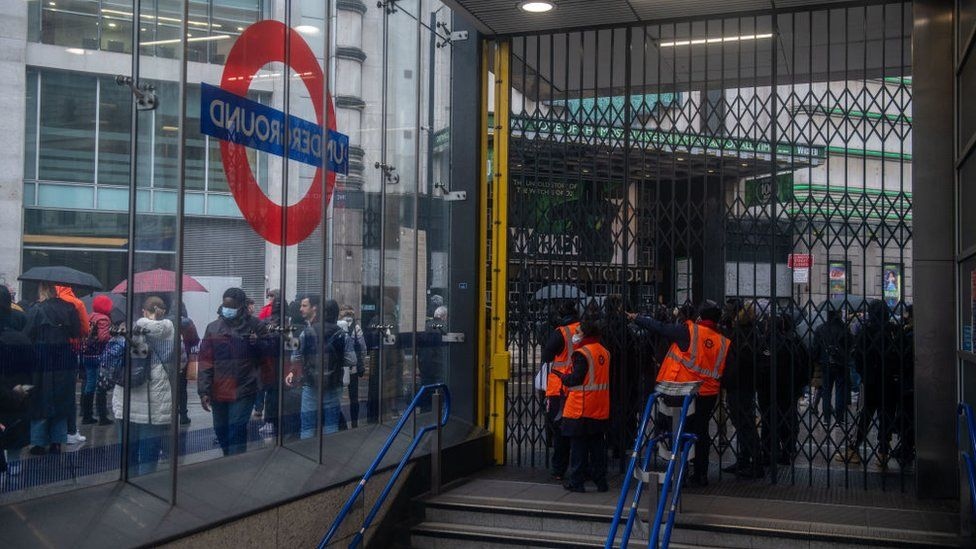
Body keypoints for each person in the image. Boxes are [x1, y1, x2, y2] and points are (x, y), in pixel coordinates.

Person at [629, 299, 730, 487]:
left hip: (683, 391)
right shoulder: (723, 340)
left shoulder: (689, 331)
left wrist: (638, 318)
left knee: (680, 432)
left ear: (700, 317)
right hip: (708, 393)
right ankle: (700, 474)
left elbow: (660, 328)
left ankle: (680, 473)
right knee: (701, 433)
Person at [197, 288, 271, 456]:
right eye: (225, 305)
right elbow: (206, 362)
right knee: (220, 430)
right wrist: (204, 391)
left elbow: (269, 352)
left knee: (236, 430)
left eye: (232, 306)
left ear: (241, 306)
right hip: (219, 388)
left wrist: (257, 343)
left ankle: (234, 464)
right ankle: (228, 459)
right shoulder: (213, 328)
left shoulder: (255, 325)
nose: (227, 309)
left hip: (244, 388)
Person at [113, 296, 174, 476]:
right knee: (149, 455)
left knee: (127, 456)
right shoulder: (172, 332)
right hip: (154, 405)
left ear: (143, 312)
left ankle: (128, 487)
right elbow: (182, 362)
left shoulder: (129, 330)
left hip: (126, 401)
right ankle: (145, 487)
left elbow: (113, 357)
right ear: (163, 312)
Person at [555, 306, 610, 493]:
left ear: (585, 334)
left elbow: (576, 379)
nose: (575, 335)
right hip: (599, 407)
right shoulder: (603, 351)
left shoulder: (582, 353)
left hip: (581, 407)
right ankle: (601, 482)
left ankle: (576, 482)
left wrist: (563, 378)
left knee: (578, 448)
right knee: (597, 447)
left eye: (578, 332)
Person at [24, 282, 81, 455]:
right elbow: (76, 333)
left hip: (41, 359)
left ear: (42, 291)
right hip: (63, 358)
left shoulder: (36, 309)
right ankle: (57, 441)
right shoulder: (70, 308)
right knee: (61, 399)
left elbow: (28, 333)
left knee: (39, 398)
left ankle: (38, 442)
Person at [842, 300, 900, 466]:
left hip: (870, 382)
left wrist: (864, 374)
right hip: (890, 382)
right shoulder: (894, 331)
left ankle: (853, 449)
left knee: (864, 416)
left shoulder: (866, 331)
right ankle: (883, 453)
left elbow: (858, 357)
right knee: (886, 416)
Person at [286, 297, 354, 437]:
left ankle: (307, 449)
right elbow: (351, 360)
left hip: (311, 383)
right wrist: (337, 361)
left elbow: (295, 357)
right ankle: (330, 449)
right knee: (331, 425)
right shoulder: (342, 334)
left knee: (307, 426)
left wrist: (306, 362)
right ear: (336, 314)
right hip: (333, 384)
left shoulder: (307, 332)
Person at [721, 302, 764, 478]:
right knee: (742, 423)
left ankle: (755, 462)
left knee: (744, 423)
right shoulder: (753, 332)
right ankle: (745, 458)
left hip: (739, 384)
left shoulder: (742, 334)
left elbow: (739, 360)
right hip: (744, 383)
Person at [540, 300, 579, 481]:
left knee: (560, 429)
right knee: (580, 431)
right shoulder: (583, 329)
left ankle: (559, 469)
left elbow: (547, 355)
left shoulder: (561, 332)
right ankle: (580, 467)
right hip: (581, 386)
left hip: (560, 387)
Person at [0, 285, 33, 475]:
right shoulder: (22, 338)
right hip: (17, 398)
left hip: (9, 397)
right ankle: (13, 470)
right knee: (14, 447)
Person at [54, 285, 89, 445]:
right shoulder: (76, 303)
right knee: (68, 393)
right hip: (70, 350)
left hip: (48, 352)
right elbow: (84, 329)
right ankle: (71, 431)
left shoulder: (45, 302)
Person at [812, 309, 854, 433]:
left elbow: (815, 348)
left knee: (826, 390)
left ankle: (826, 418)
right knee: (840, 390)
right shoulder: (844, 328)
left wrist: (816, 360)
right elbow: (850, 345)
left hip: (825, 363)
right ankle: (839, 419)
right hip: (840, 363)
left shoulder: (820, 328)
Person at [80, 295, 113, 426]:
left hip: (87, 355)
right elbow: (103, 337)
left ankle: (87, 415)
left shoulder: (90, 316)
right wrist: (112, 336)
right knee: (101, 385)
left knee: (90, 384)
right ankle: (102, 416)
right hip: (99, 355)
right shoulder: (104, 318)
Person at [339, 305, 366, 428]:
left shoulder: (338, 326)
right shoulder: (356, 328)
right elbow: (363, 348)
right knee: (353, 397)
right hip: (353, 368)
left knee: (337, 395)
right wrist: (360, 361)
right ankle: (354, 423)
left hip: (339, 367)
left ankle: (341, 423)